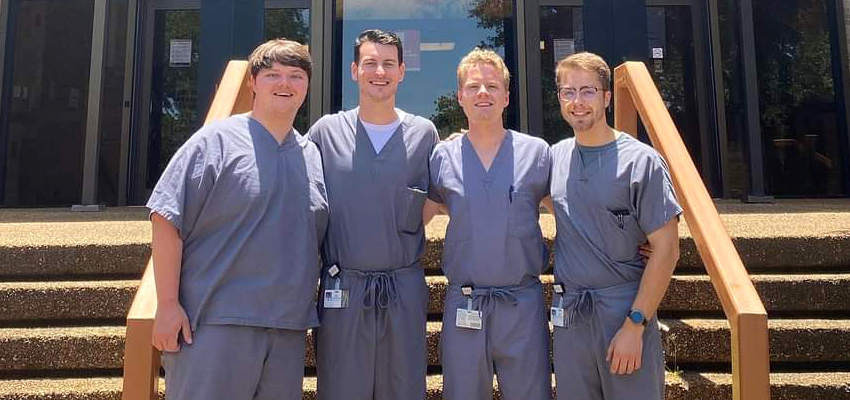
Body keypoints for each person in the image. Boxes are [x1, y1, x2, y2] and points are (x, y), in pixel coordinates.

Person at [147, 39, 327, 400]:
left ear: (307, 86)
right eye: (273, 75)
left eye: (295, 76)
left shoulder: (312, 155)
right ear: (252, 84)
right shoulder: (215, 142)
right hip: (214, 323)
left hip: (287, 329)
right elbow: (166, 219)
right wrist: (167, 305)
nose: (284, 84)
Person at [308, 29, 440, 400]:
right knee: (340, 387)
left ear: (401, 71)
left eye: (388, 64)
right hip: (342, 289)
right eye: (370, 63)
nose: (378, 71)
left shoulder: (424, 134)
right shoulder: (325, 133)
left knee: (404, 386)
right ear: (354, 70)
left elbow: (433, 201)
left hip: (403, 287)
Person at [546, 52, 681, 400]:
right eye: (568, 91)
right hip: (572, 316)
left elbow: (666, 250)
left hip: (623, 310)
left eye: (588, 91)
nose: (577, 102)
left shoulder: (642, 162)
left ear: (606, 97)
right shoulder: (554, 157)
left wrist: (635, 324)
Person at [423, 48, 552, 400]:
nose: (483, 93)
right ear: (460, 96)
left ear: (506, 97)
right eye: (474, 86)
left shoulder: (537, 153)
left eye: (492, 86)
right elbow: (415, 217)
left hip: (521, 303)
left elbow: (573, 212)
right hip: (465, 302)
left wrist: (633, 238)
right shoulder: (441, 157)